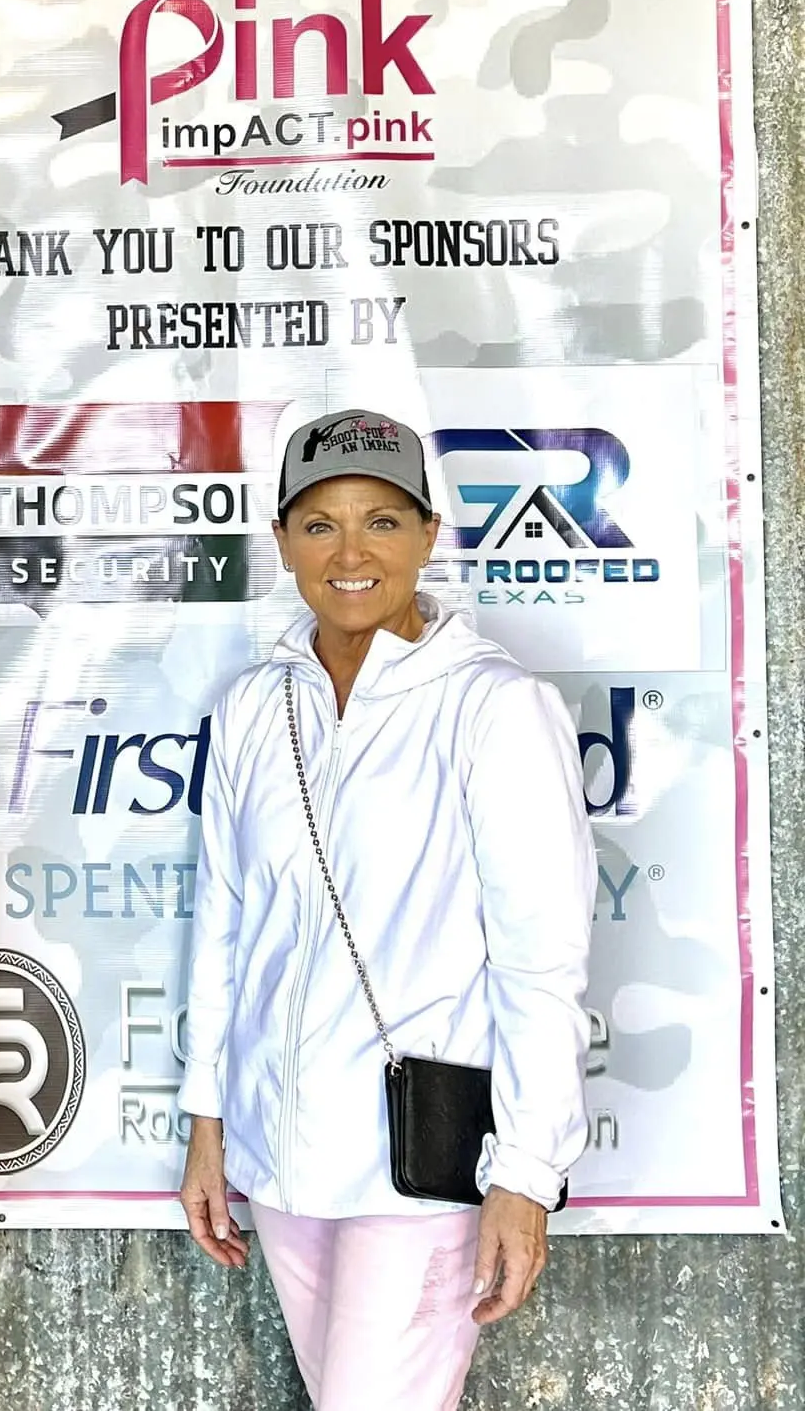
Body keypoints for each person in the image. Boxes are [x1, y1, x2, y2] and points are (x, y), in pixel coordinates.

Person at [178, 408, 594, 1411]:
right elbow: (224, 921)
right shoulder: (252, 706)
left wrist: (526, 1171)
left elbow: (539, 961)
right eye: (318, 523)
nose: (350, 551)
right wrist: (206, 1122)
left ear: (426, 534)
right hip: (279, 1160)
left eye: (380, 520)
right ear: (281, 542)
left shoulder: (491, 707)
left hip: (414, 1166)